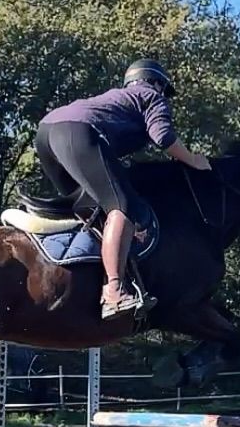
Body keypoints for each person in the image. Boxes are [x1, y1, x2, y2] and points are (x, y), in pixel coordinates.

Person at [34, 59, 212, 320]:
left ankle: (78, 275)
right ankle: (114, 291)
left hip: (46, 133)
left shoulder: (118, 98)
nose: (165, 96)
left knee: (89, 209)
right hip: (78, 132)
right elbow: (163, 137)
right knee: (122, 207)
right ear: (157, 83)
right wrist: (193, 159)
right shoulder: (151, 96)